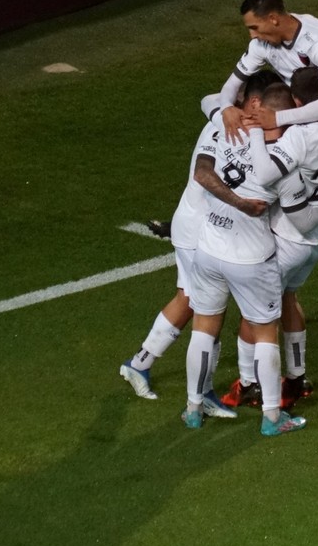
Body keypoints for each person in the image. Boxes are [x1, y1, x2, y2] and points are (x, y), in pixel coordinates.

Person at [118, 78, 275, 408]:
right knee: (201, 307)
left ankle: (143, 366)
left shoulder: (221, 116)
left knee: (191, 300)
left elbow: (209, 100)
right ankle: (181, 385)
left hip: (197, 224)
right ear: (254, 103)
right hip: (200, 229)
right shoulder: (231, 124)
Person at [183, 82, 311, 435]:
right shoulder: (284, 161)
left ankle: (194, 408)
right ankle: (272, 418)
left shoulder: (226, 127)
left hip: (209, 246)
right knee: (266, 333)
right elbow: (301, 217)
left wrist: (234, 201)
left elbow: (203, 170)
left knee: (203, 329)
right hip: (252, 259)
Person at [231, 76, 318, 412]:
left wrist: (259, 131)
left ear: (301, 105)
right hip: (316, 239)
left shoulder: (302, 136)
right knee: (289, 298)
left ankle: (249, 384)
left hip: (286, 240)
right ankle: (296, 378)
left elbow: (264, 173)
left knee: (256, 316)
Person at [205, 0, 318, 140]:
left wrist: (277, 118)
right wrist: (227, 107)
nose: (252, 35)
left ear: (273, 19)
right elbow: (232, 84)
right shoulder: (260, 45)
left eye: (254, 27)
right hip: (309, 125)